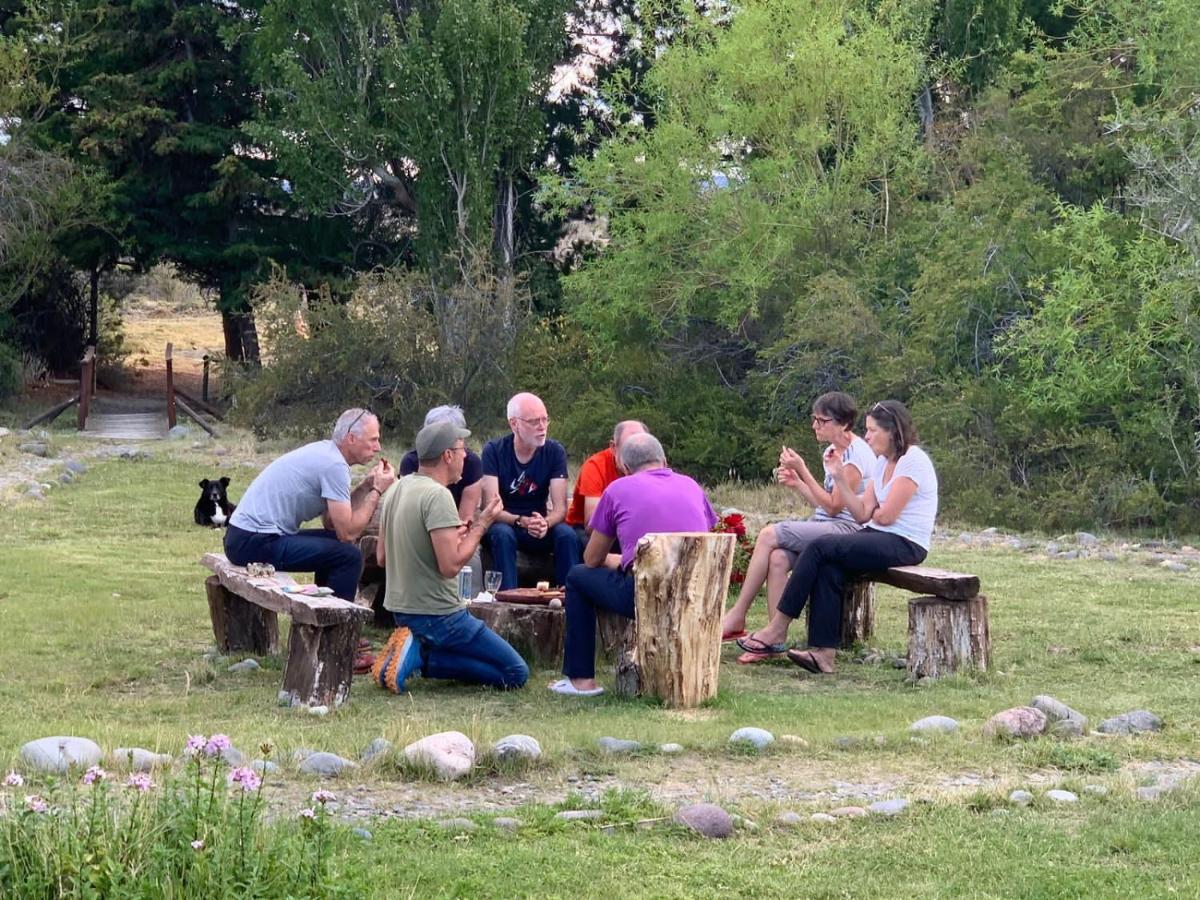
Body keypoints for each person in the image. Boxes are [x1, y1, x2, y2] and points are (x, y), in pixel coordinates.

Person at [736, 401, 937, 674]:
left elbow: (888, 517)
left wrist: (876, 511)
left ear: (893, 431)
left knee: (819, 547)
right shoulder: (881, 463)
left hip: (906, 542)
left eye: (872, 430)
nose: (866, 436)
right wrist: (839, 479)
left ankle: (777, 627)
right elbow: (862, 513)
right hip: (877, 535)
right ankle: (824, 654)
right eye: (866, 430)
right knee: (829, 565)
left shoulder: (912, 460)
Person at [551, 432, 717, 697]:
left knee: (577, 576)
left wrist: (619, 560)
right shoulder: (691, 485)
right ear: (663, 459)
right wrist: (627, 560)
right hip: (695, 592)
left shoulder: (617, 489)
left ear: (625, 468)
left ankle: (581, 680)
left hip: (646, 594)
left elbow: (592, 558)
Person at [722, 392, 876, 663]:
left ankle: (738, 613)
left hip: (848, 531)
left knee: (770, 534)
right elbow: (824, 502)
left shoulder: (855, 457)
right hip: (826, 524)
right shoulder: (833, 451)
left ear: (843, 424)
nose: (815, 426)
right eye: (814, 419)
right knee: (778, 557)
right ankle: (774, 639)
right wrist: (798, 484)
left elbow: (834, 508)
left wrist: (802, 469)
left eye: (821, 420)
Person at [375, 420, 528, 691]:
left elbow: (382, 558)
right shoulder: (438, 496)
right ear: (447, 455)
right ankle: (422, 657)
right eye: (461, 449)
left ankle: (411, 650)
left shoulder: (396, 489)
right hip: (441, 616)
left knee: (486, 662)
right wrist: (483, 523)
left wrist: (453, 537)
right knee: (515, 672)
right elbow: (451, 566)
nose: (466, 456)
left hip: (403, 613)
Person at [225, 408, 396, 602]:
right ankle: (336, 622)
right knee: (349, 556)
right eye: (373, 440)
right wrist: (377, 491)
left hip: (244, 537)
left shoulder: (327, 454)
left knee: (337, 546)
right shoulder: (334, 466)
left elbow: (332, 523)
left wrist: (367, 486)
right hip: (253, 542)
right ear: (351, 438)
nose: (378, 447)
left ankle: (323, 609)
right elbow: (347, 533)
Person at [480, 392, 581, 590]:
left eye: (545, 420)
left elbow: (560, 508)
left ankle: (570, 598)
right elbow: (490, 507)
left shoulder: (554, 451)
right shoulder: (494, 451)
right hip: (507, 521)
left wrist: (546, 522)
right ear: (514, 424)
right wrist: (520, 520)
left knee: (567, 535)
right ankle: (507, 600)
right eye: (534, 421)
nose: (542, 427)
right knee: (501, 535)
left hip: (539, 523)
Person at [400, 405, 484, 594]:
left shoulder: (471, 463)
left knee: (472, 557)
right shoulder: (412, 462)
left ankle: (472, 605)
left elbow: (466, 518)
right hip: (419, 530)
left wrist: (451, 535)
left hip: (454, 530)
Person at [564, 419, 647, 548]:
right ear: (613, 447)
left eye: (640, 450)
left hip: (628, 526)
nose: (634, 456)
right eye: (628, 449)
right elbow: (591, 524)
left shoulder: (651, 467)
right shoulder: (595, 466)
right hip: (585, 527)